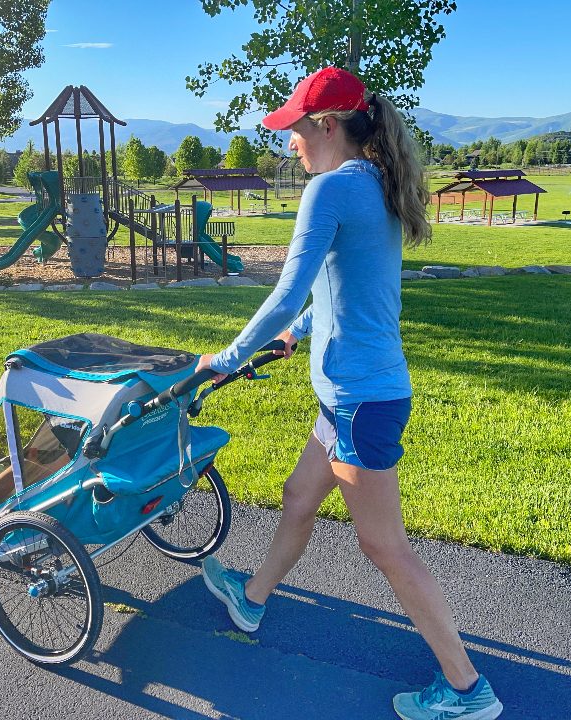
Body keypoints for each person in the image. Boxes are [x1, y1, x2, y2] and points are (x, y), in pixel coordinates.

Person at [194, 67, 503, 720]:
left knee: (383, 547)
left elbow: (285, 292)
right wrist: (299, 334)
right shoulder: (374, 186)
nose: (290, 145)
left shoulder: (331, 191)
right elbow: (346, 295)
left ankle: (468, 689)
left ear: (326, 126)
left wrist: (226, 358)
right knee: (300, 496)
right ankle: (251, 600)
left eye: (296, 131)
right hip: (352, 398)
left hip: (360, 403)